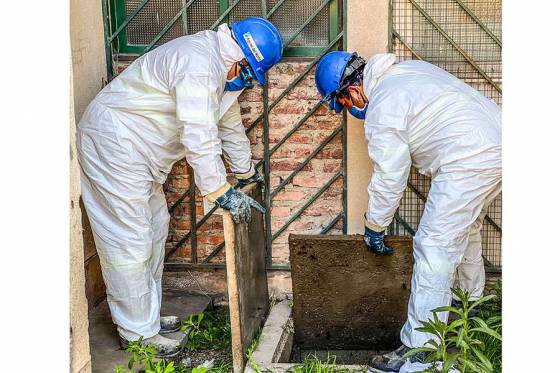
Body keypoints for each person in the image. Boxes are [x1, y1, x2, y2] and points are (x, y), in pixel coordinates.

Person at [77, 17, 283, 357]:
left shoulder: (219, 72)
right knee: (130, 239)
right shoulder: (198, 64)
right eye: (248, 74)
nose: (247, 82)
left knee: (155, 228)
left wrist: (247, 176)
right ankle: (137, 334)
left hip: (136, 154)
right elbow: (199, 135)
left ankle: (146, 321)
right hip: (113, 144)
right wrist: (221, 192)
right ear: (239, 59)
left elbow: (229, 128)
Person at [315, 51, 501, 372]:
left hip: (469, 155)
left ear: (353, 91)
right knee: (465, 230)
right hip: (500, 141)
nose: (351, 110)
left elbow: (390, 175)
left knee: (433, 245)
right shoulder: (408, 71)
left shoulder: (383, 107)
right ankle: (467, 311)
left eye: (345, 104)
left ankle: (421, 352)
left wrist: (375, 225)